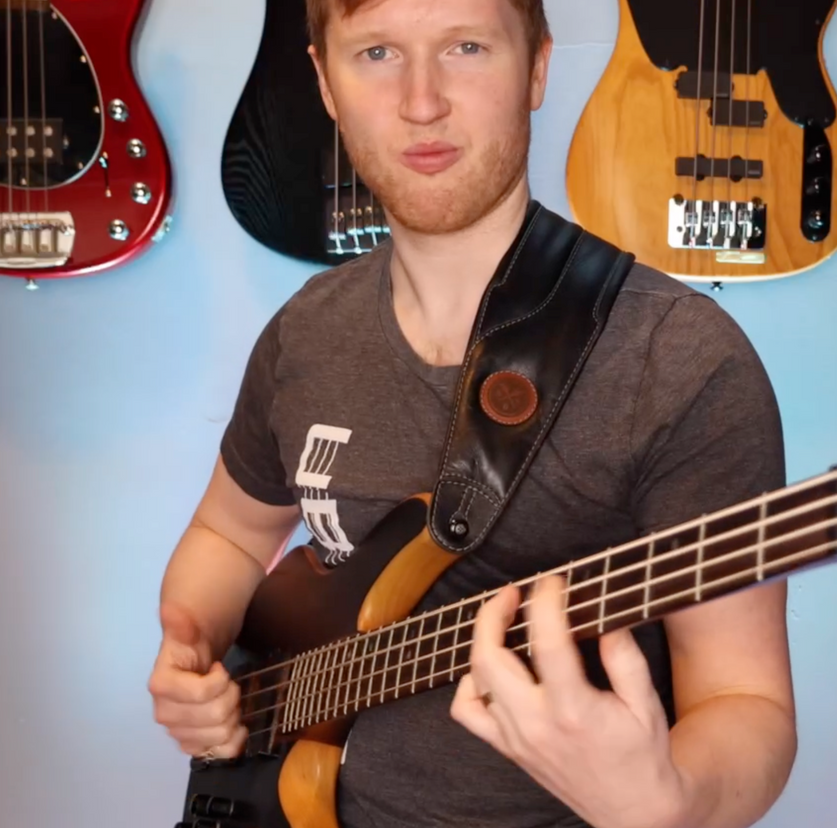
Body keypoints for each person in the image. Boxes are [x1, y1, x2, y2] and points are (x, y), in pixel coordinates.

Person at [147, 0, 796, 825]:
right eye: (377, 53)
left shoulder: (679, 360)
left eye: (465, 47)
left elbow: (746, 700)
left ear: (537, 68)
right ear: (325, 84)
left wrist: (671, 804)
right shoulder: (304, 331)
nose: (422, 102)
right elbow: (232, 534)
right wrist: (194, 649)